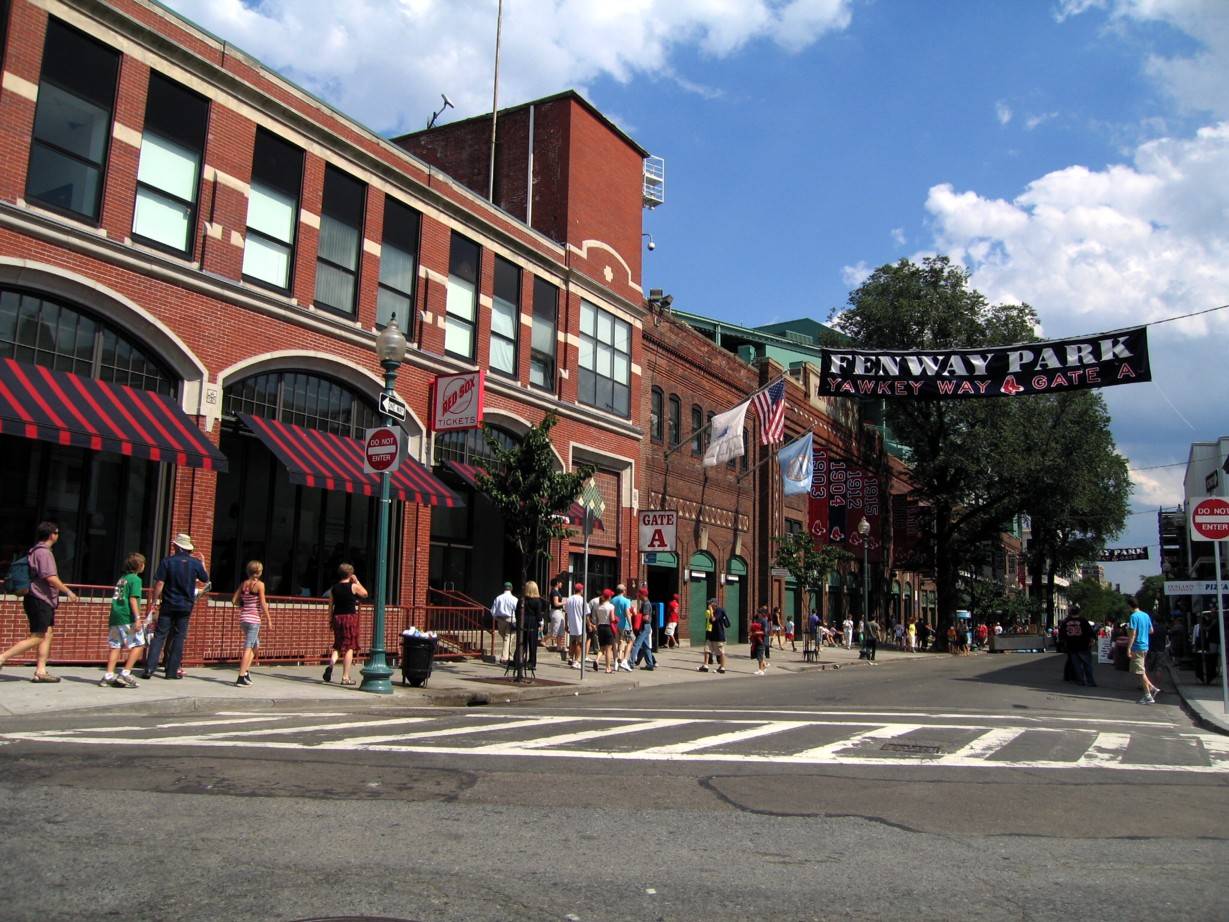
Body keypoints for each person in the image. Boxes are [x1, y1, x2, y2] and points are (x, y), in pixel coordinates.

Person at [0, 522, 79, 682]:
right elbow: (49, 576)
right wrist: (68, 591)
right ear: (52, 535)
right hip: (39, 599)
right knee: (37, 636)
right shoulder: (44, 553)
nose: (58, 535)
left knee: (47, 633)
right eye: (57, 532)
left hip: (43, 600)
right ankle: (2, 657)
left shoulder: (36, 550)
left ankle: (41, 671)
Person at [143, 533, 209, 681]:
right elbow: (205, 579)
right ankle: (172, 671)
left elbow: (160, 583)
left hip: (168, 603)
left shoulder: (167, 562)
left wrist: (154, 600)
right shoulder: (195, 563)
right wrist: (202, 563)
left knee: (159, 635)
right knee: (179, 637)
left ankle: (149, 668)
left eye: (174, 545)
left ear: (177, 547)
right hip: (186, 605)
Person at [100, 552, 146, 688]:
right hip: (127, 616)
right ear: (139, 566)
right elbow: (133, 598)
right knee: (139, 643)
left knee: (115, 645)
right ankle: (126, 672)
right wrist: (137, 618)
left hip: (115, 616)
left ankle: (108, 675)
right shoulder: (135, 580)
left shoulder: (122, 579)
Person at [324, 563, 367, 686]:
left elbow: (330, 606)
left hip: (337, 617)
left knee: (338, 645)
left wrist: (330, 620)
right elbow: (365, 593)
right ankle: (345, 677)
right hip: (349, 617)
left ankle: (331, 664)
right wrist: (357, 581)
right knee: (349, 647)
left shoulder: (334, 588)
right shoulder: (353, 586)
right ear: (350, 574)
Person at [231, 560, 272, 687]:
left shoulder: (244, 584)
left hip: (244, 619)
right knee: (248, 648)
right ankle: (241, 676)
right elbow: (263, 603)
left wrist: (243, 605)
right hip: (254, 620)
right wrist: (269, 619)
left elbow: (234, 600)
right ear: (259, 572)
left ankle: (246, 671)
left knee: (256, 645)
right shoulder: (260, 585)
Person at [1127, 597, 1162, 704]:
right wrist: (1143, 632)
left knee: (1140, 671)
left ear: (1129, 606)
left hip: (1137, 646)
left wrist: (1128, 647)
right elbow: (1151, 630)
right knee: (1141, 670)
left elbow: (1132, 633)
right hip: (1145, 645)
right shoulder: (1146, 615)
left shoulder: (1133, 616)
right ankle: (1150, 690)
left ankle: (1149, 693)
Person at [1061, 603, 1096, 687]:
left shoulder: (1065, 621)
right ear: (1078, 612)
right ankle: (1090, 681)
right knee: (1087, 664)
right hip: (1084, 646)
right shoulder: (1083, 620)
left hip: (1072, 646)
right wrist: (1092, 640)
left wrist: (1064, 643)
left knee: (1077, 666)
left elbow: (1062, 634)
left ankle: (1080, 681)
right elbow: (1090, 632)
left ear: (1070, 612)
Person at [517, 580, 547, 671]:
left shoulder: (521, 599)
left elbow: (517, 611)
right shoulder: (537, 601)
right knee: (532, 644)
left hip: (522, 622)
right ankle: (531, 663)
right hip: (533, 623)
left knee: (522, 643)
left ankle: (519, 660)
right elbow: (538, 614)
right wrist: (540, 622)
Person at [491, 581, 518, 664]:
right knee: (507, 638)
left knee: (506, 637)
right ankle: (505, 658)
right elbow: (518, 611)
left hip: (500, 620)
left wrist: (496, 618)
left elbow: (493, 611)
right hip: (511, 619)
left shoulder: (498, 598)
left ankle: (508, 655)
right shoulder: (514, 599)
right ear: (511, 589)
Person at [629, 588, 656, 670]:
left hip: (645, 626)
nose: (638, 596)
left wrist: (637, 615)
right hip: (646, 626)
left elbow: (646, 617)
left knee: (636, 644)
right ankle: (650, 664)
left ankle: (631, 663)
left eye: (639, 594)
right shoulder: (645, 603)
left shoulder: (646, 604)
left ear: (642, 595)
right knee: (646, 646)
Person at [564, 582, 588, 669]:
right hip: (580, 625)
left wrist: (566, 625)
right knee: (580, 644)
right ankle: (576, 661)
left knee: (573, 643)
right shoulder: (582, 600)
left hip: (571, 624)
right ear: (581, 590)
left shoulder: (569, 599)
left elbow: (566, 613)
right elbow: (586, 614)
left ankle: (571, 658)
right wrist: (589, 624)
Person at [612, 584, 634, 672]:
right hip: (625, 625)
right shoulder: (626, 600)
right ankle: (624, 660)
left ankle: (616, 662)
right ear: (623, 591)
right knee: (631, 641)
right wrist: (631, 625)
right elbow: (627, 613)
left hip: (615, 624)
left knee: (616, 642)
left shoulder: (612, 600)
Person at [594, 588, 617, 673]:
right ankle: (608, 668)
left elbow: (596, 620)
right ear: (609, 597)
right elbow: (612, 619)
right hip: (608, 628)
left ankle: (597, 660)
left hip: (600, 627)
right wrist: (616, 620)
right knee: (608, 649)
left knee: (602, 647)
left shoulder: (598, 607)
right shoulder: (611, 606)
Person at [750, 605, 771, 675]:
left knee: (760, 655)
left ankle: (761, 670)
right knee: (757, 654)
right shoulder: (760, 620)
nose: (758, 614)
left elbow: (765, 632)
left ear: (762, 614)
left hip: (762, 640)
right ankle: (764, 665)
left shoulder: (764, 621)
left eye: (759, 613)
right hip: (757, 640)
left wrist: (756, 632)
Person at [547, 580, 566, 652]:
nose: (562, 583)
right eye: (560, 582)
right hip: (556, 612)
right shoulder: (554, 592)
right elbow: (556, 603)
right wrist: (564, 602)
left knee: (561, 629)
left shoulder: (557, 592)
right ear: (557, 583)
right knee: (555, 630)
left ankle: (559, 647)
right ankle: (543, 640)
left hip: (559, 612)